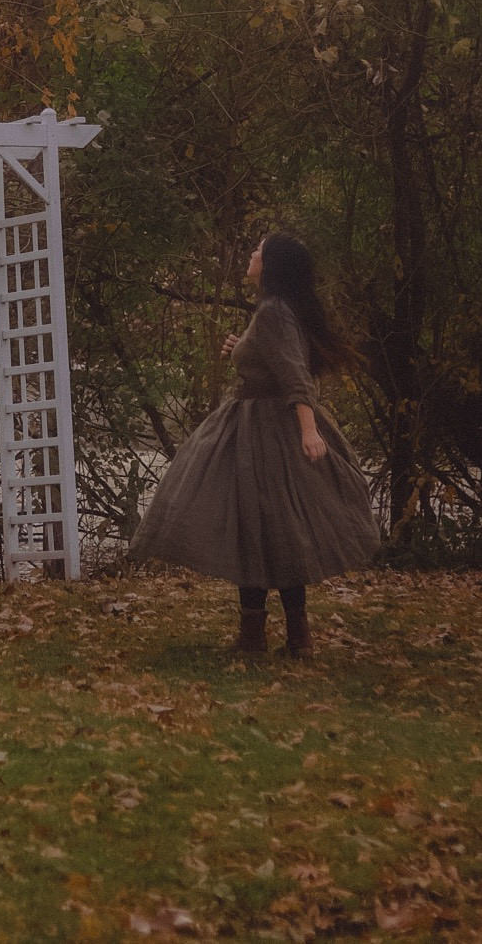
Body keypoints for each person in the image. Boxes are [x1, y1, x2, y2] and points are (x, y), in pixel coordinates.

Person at [129, 233, 380, 654]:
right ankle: (282, 636)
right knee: (273, 531)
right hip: (258, 429)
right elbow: (276, 361)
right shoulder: (275, 311)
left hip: (269, 433)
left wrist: (308, 430)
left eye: (259, 250)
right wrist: (241, 349)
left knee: (262, 530)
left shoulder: (273, 313)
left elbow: (296, 377)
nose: (251, 254)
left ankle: (267, 637)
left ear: (273, 264)